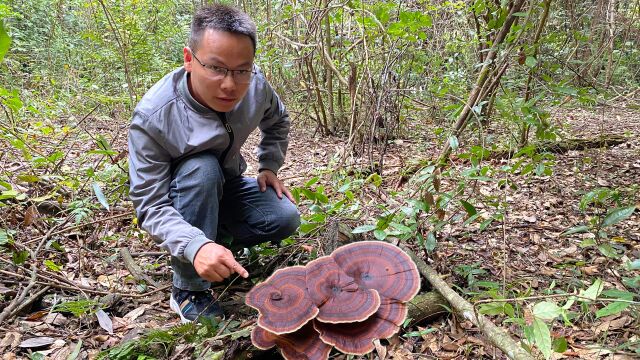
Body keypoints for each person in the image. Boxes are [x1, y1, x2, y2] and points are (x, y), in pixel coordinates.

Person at [127, 3, 300, 323]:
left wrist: (269, 166)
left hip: (228, 184)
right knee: (200, 168)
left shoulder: (256, 86)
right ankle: (188, 288)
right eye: (217, 68)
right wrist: (194, 245)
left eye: (241, 70)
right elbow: (149, 204)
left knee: (284, 216)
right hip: (181, 196)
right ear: (189, 60)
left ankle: (216, 245)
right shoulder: (155, 117)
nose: (230, 84)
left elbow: (279, 120)